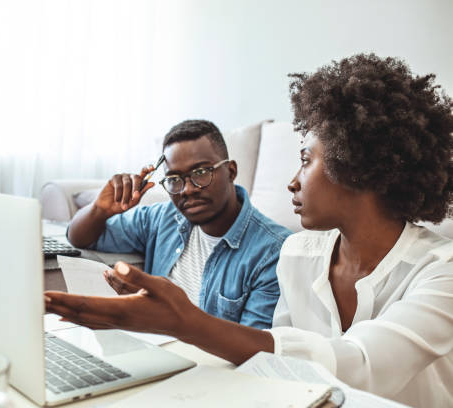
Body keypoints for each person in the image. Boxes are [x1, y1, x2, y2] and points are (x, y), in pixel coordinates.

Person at [45, 53, 453, 407]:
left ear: (359, 167)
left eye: (305, 160)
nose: (292, 182)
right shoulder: (300, 255)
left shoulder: (440, 273)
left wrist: (182, 321)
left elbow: (361, 366)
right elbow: (275, 370)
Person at [66, 119, 291, 328]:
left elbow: (255, 348)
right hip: (153, 348)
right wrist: (99, 209)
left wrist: (156, 309)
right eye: (174, 179)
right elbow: (80, 237)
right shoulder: (161, 219)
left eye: (201, 173)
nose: (188, 189)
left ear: (230, 171)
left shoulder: (273, 251)